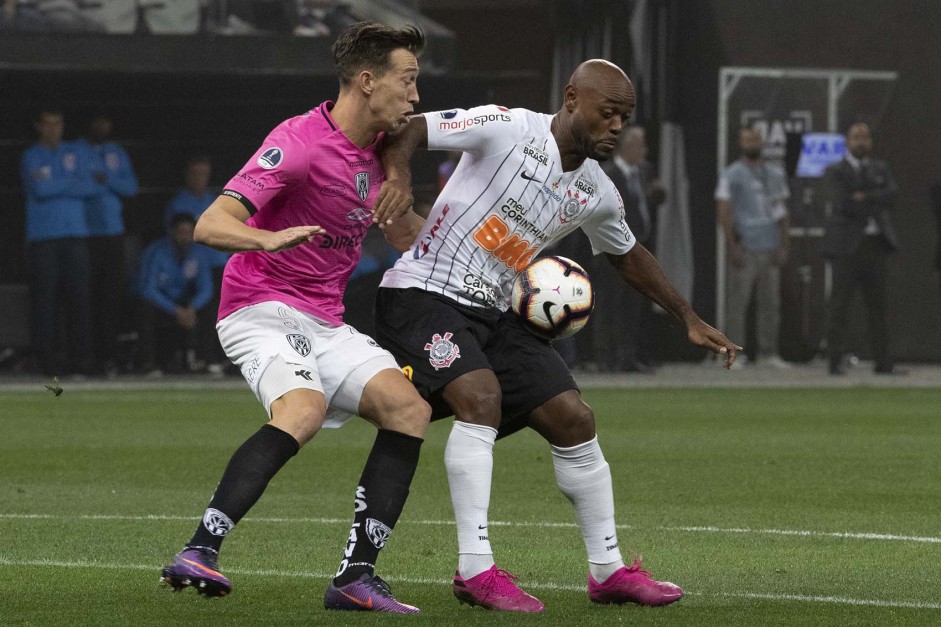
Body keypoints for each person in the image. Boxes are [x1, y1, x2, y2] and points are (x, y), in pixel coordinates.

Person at [371, 59, 740, 612]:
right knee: (481, 399)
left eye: (625, 117)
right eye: (607, 112)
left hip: (493, 313)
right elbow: (410, 128)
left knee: (574, 417)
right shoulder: (506, 127)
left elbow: (627, 254)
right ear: (572, 98)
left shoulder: (596, 190)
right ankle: (475, 570)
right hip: (422, 294)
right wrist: (399, 178)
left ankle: (608, 571)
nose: (617, 126)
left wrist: (686, 315)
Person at [159, 21, 432, 614]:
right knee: (302, 410)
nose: (415, 96)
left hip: (323, 320)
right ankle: (199, 549)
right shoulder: (300, 141)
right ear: (366, 81)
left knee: (409, 408)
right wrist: (269, 238)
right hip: (260, 305)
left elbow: (409, 235)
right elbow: (211, 224)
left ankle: (356, 577)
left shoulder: (385, 151)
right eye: (407, 81)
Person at [19, 108, 97, 375]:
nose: (54, 129)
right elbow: (40, 190)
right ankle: (46, 362)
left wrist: (57, 182)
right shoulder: (31, 155)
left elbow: (90, 187)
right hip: (44, 238)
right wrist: (70, 182)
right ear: (38, 127)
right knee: (45, 301)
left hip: (76, 234)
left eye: (58, 124)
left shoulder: (73, 153)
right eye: (48, 124)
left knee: (79, 300)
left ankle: (80, 361)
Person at [821, 122, 901, 375]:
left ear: (871, 142)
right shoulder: (836, 170)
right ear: (847, 141)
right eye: (856, 137)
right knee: (840, 306)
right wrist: (873, 198)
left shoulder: (881, 168)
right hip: (846, 246)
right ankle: (834, 362)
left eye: (865, 137)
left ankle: (883, 362)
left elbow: (892, 195)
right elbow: (843, 203)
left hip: (875, 244)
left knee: (878, 307)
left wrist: (865, 197)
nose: (861, 142)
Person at [715, 126, 792, 369]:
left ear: (762, 142)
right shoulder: (731, 174)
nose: (752, 143)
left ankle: (769, 353)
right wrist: (732, 244)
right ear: (741, 143)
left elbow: (781, 211)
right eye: (747, 139)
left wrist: (784, 244)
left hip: (769, 244)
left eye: (755, 139)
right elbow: (724, 210)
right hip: (745, 244)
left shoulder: (774, 174)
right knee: (738, 303)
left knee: (770, 303)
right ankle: (732, 354)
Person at [596, 124, 665, 372]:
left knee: (634, 306)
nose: (645, 150)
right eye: (641, 145)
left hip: (640, 250)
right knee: (611, 305)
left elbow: (655, 199)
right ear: (628, 147)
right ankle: (607, 358)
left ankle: (629, 356)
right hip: (613, 253)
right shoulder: (607, 175)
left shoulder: (644, 173)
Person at [76, 112, 139, 374]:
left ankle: (109, 357)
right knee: (86, 297)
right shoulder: (77, 150)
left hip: (114, 233)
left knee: (111, 297)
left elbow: (131, 187)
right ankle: (85, 357)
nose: (102, 125)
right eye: (98, 120)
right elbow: (77, 185)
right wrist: (100, 185)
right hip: (86, 233)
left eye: (106, 121)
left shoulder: (116, 152)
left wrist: (107, 180)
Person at [136, 212, 215, 374]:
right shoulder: (156, 252)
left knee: (211, 308)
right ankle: (148, 363)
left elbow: (206, 288)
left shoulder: (198, 253)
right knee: (145, 309)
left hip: (184, 303)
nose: (185, 238)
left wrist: (192, 308)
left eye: (189, 233)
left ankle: (205, 360)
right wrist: (176, 311)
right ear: (172, 232)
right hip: (161, 303)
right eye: (181, 233)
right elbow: (148, 289)